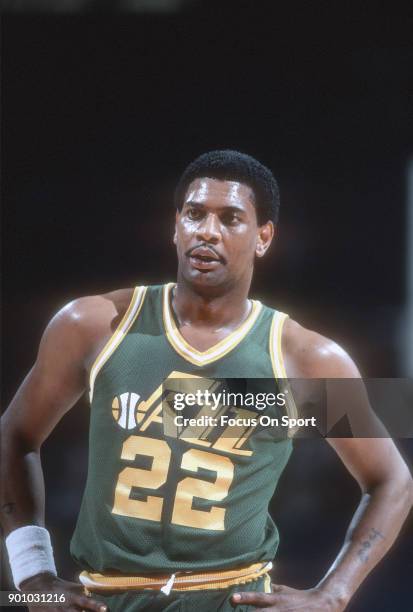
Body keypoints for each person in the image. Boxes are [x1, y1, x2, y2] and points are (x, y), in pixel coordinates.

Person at [1, 150, 412, 612]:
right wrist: (31, 576)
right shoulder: (91, 324)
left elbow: (392, 480)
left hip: (229, 596)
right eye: (195, 214)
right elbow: (13, 437)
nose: (207, 231)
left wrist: (334, 595)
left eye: (230, 218)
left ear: (264, 238)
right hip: (107, 596)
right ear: (175, 227)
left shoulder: (306, 358)